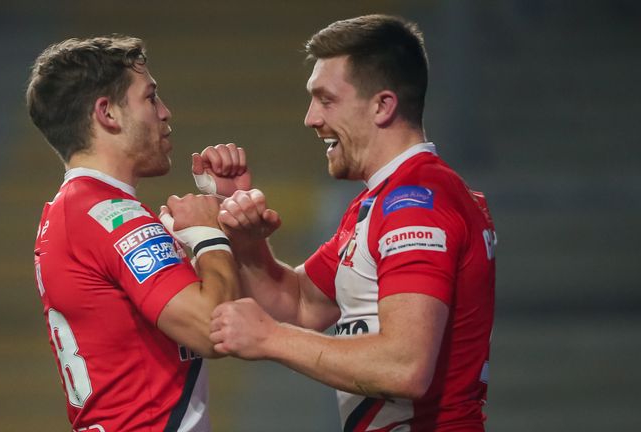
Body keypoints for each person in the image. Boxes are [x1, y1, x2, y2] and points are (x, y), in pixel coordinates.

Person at [197, 15, 497, 431]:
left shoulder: (416, 204)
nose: (310, 118)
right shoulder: (381, 202)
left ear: (382, 105)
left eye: (326, 99)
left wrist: (270, 339)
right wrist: (243, 236)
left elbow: (404, 366)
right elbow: (301, 304)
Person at [25, 36, 239, 432]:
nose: (165, 112)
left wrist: (228, 221)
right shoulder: (110, 216)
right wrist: (209, 235)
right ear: (107, 113)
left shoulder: (74, 211)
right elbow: (216, 326)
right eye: (151, 98)